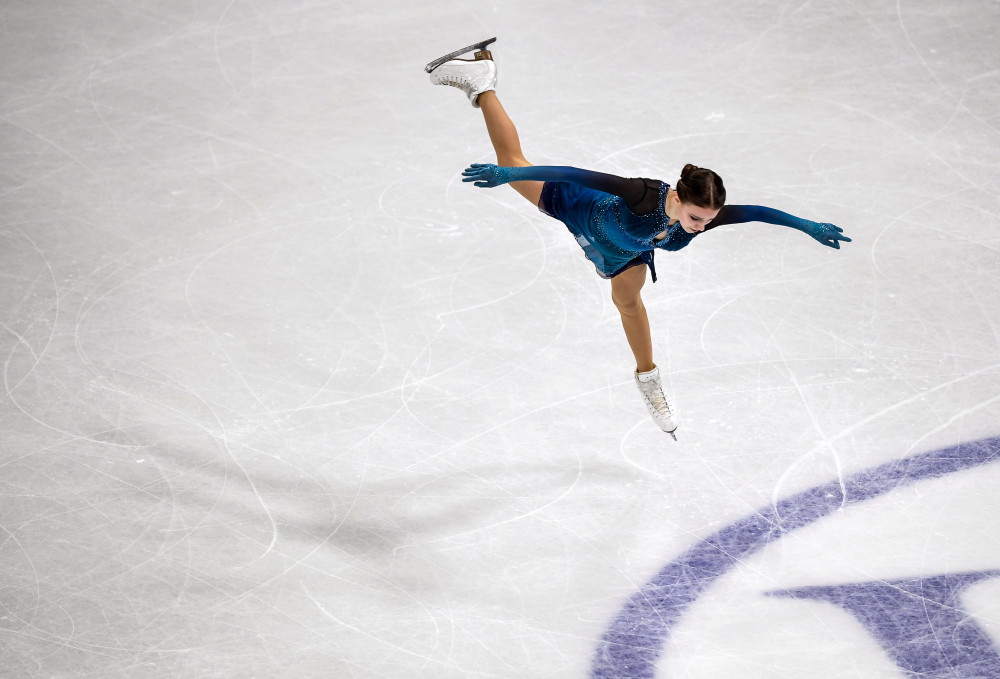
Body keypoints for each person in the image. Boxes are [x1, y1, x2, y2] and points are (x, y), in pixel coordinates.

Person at [427, 42, 851, 439]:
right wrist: (510, 177)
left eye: (709, 220)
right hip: (582, 206)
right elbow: (575, 174)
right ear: (678, 197)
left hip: (625, 248)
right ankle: (482, 83)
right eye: (696, 217)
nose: (702, 227)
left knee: (628, 302)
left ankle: (648, 380)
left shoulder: (699, 218)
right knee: (513, 160)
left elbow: (758, 213)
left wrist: (808, 225)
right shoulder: (642, 193)